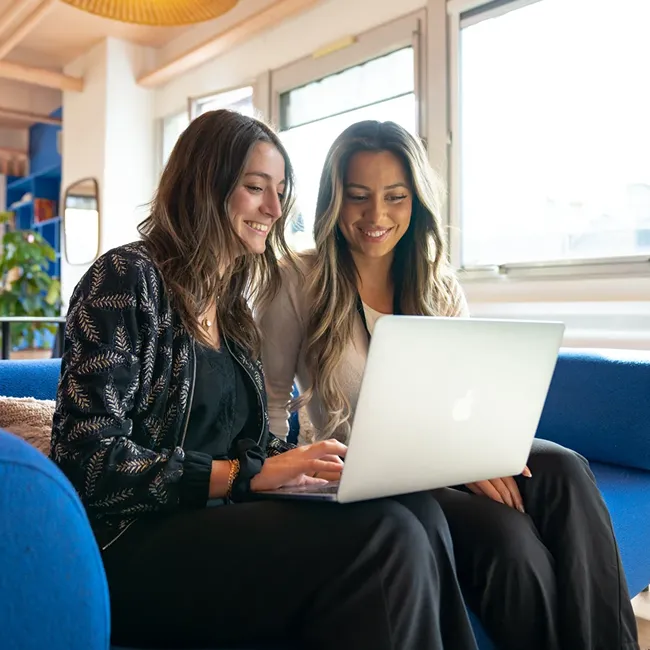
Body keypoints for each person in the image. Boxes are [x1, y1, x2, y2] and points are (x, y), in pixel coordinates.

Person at [50, 110, 479, 650]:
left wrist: (313, 467)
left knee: (414, 511)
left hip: (222, 517)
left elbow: (252, 444)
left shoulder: (231, 310)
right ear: (206, 185)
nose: (275, 209)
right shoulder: (124, 278)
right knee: (384, 537)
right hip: (138, 539)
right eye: (256, 188)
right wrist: (243, 476)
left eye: (280, 192)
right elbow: (86, 460)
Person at [257, 119, 640, 650]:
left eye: (395, 196)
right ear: (333, 200)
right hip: (368, 471)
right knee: (512, 542)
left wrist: (476, 456)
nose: (377, 216)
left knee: (566, 468)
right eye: (358, 197)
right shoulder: (297, 278)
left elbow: (470, 389)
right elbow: (270, 401)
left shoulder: (435, 276)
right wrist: (276, 480)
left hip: (446, 451)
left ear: (416, 200)